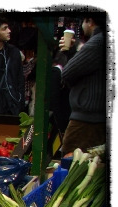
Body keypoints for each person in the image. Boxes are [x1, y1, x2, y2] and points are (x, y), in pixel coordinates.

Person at [59, 15, 106, 157]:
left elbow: (67, 73)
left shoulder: (97, 42)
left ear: (90, 22)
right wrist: (73, 52)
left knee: (71, 163)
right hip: (98, 117)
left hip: (86, 119)